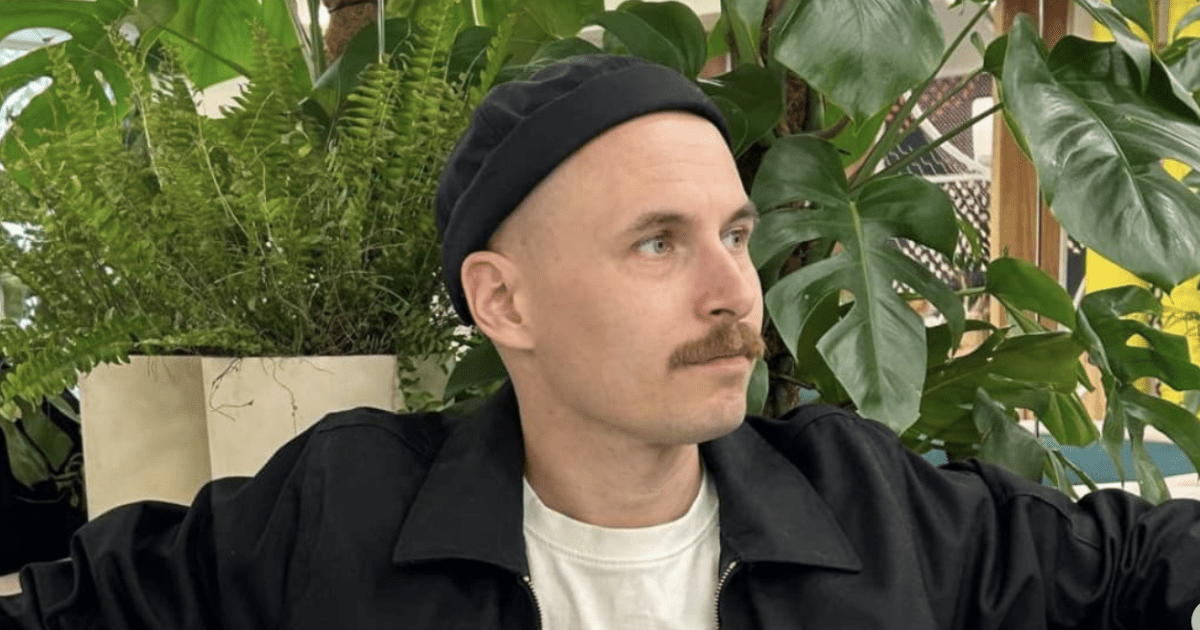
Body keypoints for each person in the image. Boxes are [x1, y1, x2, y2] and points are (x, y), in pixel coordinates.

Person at [3, 53, 1200, 630]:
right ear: (504, 303)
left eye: (736, 234)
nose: (734, 292)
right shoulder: (339, 513)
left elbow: (1145, 564)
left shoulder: (866, 507)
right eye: (657, 243)